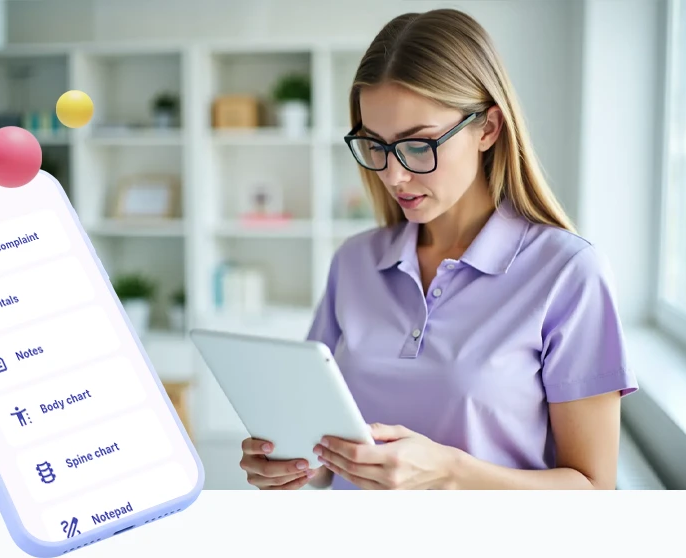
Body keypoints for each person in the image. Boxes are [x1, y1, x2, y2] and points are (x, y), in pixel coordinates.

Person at [239, 8, 638, 490]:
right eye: (376, 145)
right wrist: (296, 465)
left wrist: (451, 472)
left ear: (488, 128)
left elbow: (595, 493)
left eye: (418, 144)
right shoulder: (354, 263)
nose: (393, 175)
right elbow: (323, 448)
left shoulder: (568, 273)